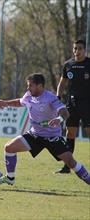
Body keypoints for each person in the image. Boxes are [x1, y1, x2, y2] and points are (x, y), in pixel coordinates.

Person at [0, 73, 90, 185]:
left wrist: (59, 119)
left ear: (39, 86)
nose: (28, 88)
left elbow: (65, 112)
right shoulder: (28, 96)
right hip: (34, 135)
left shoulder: (50, 98)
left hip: (52, 137)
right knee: (9, 147)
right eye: (28, 85)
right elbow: (19, 102)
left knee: (70, 162)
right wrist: (5, 103)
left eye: (30, 85)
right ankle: (10, 178)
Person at [55, 39, 90, 174]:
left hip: (87, 104)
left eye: (80, 48)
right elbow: (62, 83)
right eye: (75, 48)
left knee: (88, 132)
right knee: (70, 133)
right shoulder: (68, 65)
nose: (77, 51)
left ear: (84, 50)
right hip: (72, 104)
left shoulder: (89, 63)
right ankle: (67, 166)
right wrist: (58, 97)